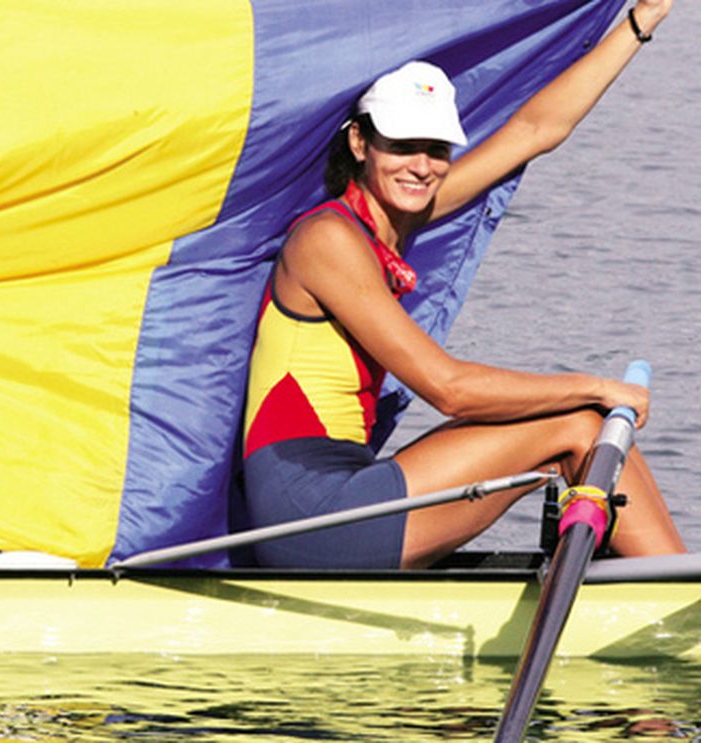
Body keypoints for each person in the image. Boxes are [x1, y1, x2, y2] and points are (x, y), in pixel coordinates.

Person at [240, 0, 685, 569]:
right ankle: (682, 605)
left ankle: (664, 592)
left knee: (582, 429)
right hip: (311, 513)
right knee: (581, 424)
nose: (421, 166)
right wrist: (597, 387)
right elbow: (448, 388)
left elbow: (534, 130)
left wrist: (641, 21)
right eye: (401, 146)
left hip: (344, 487)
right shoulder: (327, 240)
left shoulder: (398, 220)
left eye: (436, 149)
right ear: (359, 144)